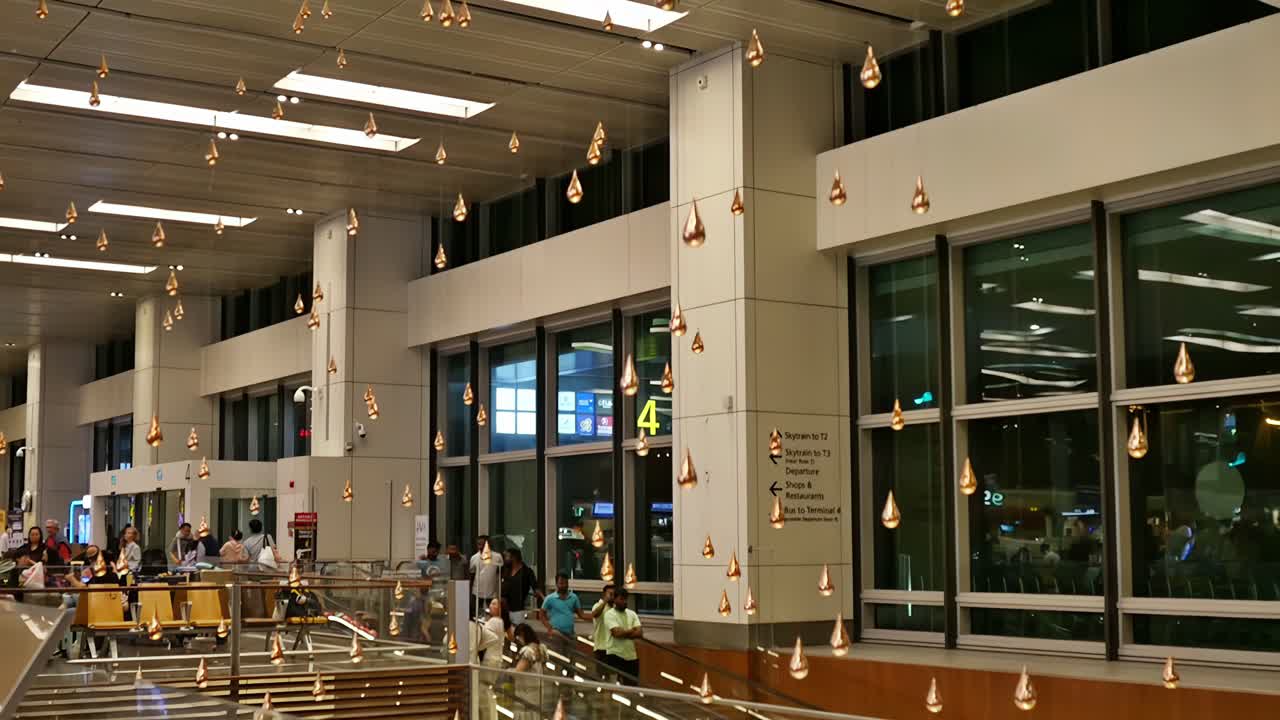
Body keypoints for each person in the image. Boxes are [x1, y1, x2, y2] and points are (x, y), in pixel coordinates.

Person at [603, 587, 642, 683]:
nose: (624, 601)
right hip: (615, 655)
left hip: (631, 656)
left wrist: (623, 632)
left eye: (625, 599)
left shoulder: (632, 614)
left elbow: (639, 633)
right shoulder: (609, 614)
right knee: (615, 687)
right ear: (615, 599)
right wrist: (630, 630)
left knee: (632, 686)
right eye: (621, 599)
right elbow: (616, 633)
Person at [540, 571, 587, 648]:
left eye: (566, 583)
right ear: (556, 584)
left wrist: (595, 615)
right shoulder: (550, 598)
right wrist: (548, 627)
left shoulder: (574, 597)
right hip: (556, 634)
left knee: (572, 656)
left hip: (570, 634)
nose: (564, 585)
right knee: (558, 657)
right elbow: (541, 614)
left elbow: (581, 614)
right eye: (561, 583)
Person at [511, 623, 547, 720]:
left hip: (525, 691)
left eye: (518, 637)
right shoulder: (541, 648)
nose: (518, 640)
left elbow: (518, 671)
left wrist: (507, 671)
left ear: (522, 635)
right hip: (537, 691)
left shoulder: (527, 651)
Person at [499, 548, 542, 625]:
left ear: (514, 557)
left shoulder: (526, 572)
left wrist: (543, 597)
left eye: (507, 556)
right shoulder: (506, 570)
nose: (505, 559)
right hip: (504, 609)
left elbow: (536, 588)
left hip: (518, 610)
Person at [469, 535, 500, 617]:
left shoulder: (497, 557)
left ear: (489, 544)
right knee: (476, 616)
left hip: (492, 592)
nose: (481, 546)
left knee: (493, 615)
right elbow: (471, 575)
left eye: (483, 544)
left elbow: (501, 572)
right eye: (479, 544)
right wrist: (470, 592)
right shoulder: (474, 558)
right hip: (477, 592)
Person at [477, 597, 513, 668]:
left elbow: (482, 635)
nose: (490, 606)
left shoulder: (494, 621)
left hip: (490, 659)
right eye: (491, 603)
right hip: (497, 658)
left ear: (500, 608)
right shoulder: (501, 621)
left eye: (494, 604)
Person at [590, 584, 615, 666]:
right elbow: (595, 614)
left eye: (614, 594)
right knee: (601, 674)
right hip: (601, 647)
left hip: (614, 648)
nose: (612, 596)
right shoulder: (597, 605)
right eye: (610, 594)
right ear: (604, 595)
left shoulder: (615, 608)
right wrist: (605, 602)